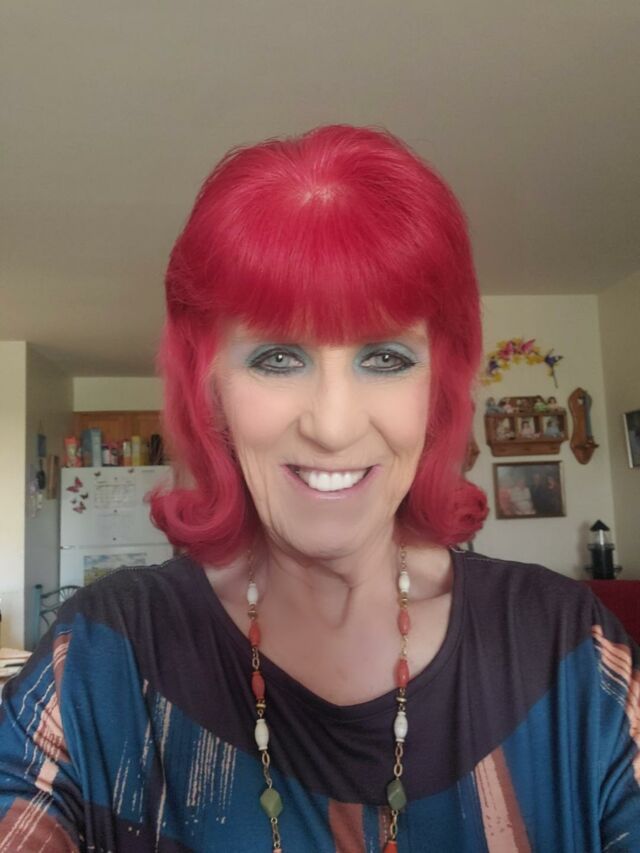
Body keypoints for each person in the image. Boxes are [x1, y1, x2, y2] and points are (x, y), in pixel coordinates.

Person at [0, 125, 638, 852]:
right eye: (278, 356)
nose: (333, 427)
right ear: (210, 389)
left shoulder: (566, 647)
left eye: (386, 357)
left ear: (437, 388)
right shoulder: (105, 657)